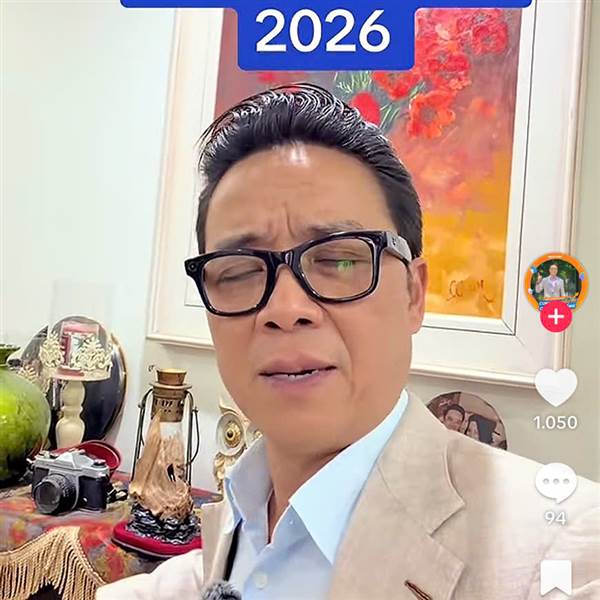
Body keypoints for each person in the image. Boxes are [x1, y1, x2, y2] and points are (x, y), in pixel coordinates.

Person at [97, 85, 600, 600]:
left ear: (413, 294)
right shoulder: (238, 517)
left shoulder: (568, 548)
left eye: (340, 260)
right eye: (240, 271)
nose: (285, 310)